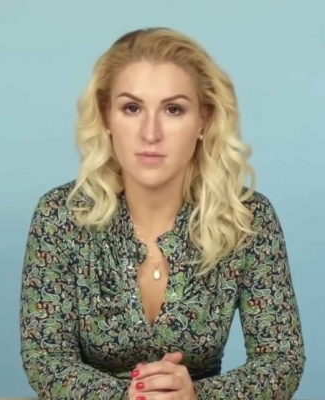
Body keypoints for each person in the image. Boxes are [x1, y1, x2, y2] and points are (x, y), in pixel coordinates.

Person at [19, 27, 305, 399]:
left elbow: (281, 359)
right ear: (106, 116)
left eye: (173, 110)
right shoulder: (60, 215)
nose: (150, 133)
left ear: (203, 119)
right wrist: (129, 396)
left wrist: (197, 396)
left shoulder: (247, 218)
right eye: (132, 108)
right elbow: (46, 359)